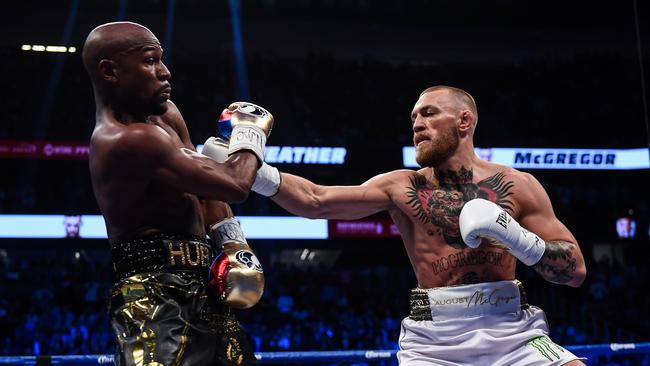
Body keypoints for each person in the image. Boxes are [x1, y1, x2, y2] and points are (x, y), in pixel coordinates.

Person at [217, 85, 588, 365]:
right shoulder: (402, 186)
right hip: (434, 341)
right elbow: (317, 200)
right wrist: (253, 168)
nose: (417, 125)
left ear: (464, 121)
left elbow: (575, 272)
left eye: (428, 114)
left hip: (514, 332)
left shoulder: (517, 185)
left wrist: (517, 237)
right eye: (414, 119)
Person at [83, 21, 271, 365]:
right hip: (156, 297)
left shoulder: (166, 115)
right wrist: (249, 135)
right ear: (110, 71)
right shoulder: (125, 139)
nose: (165, 72)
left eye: (161, 59)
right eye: (150, 61)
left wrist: (234, 245)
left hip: (207, 286)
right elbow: (235, 184)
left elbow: (207, 191)